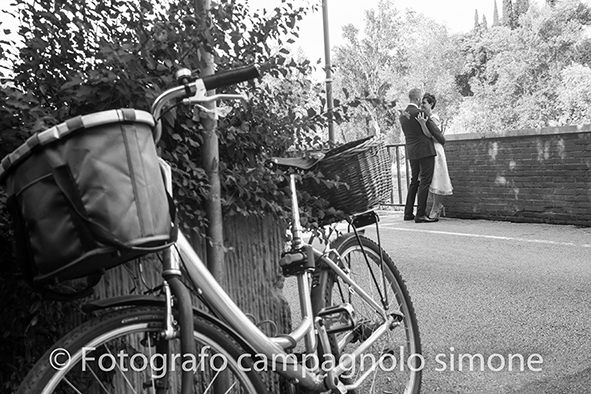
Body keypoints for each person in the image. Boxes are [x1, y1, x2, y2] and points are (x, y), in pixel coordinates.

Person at [399, 88, 445, 223]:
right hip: (425, 151)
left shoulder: (403, 114)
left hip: (411, 151)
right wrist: (442, 140)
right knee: (425, 181)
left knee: (414, 181)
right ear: (418, 99)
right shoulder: (420, 113)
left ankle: (408, 213)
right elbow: (435, 132)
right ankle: (420, 214)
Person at [417, 93, 453, 219]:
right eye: (421, 102)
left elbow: (431, 135)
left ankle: (436, 207)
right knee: (430, 180)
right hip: (430, 150)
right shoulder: (425, 117)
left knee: (437, 178)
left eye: (424, 103)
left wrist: (422, 124)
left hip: (436, 149)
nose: (422, 105)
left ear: (431, 104)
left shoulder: (434, 117)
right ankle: (438, 205)